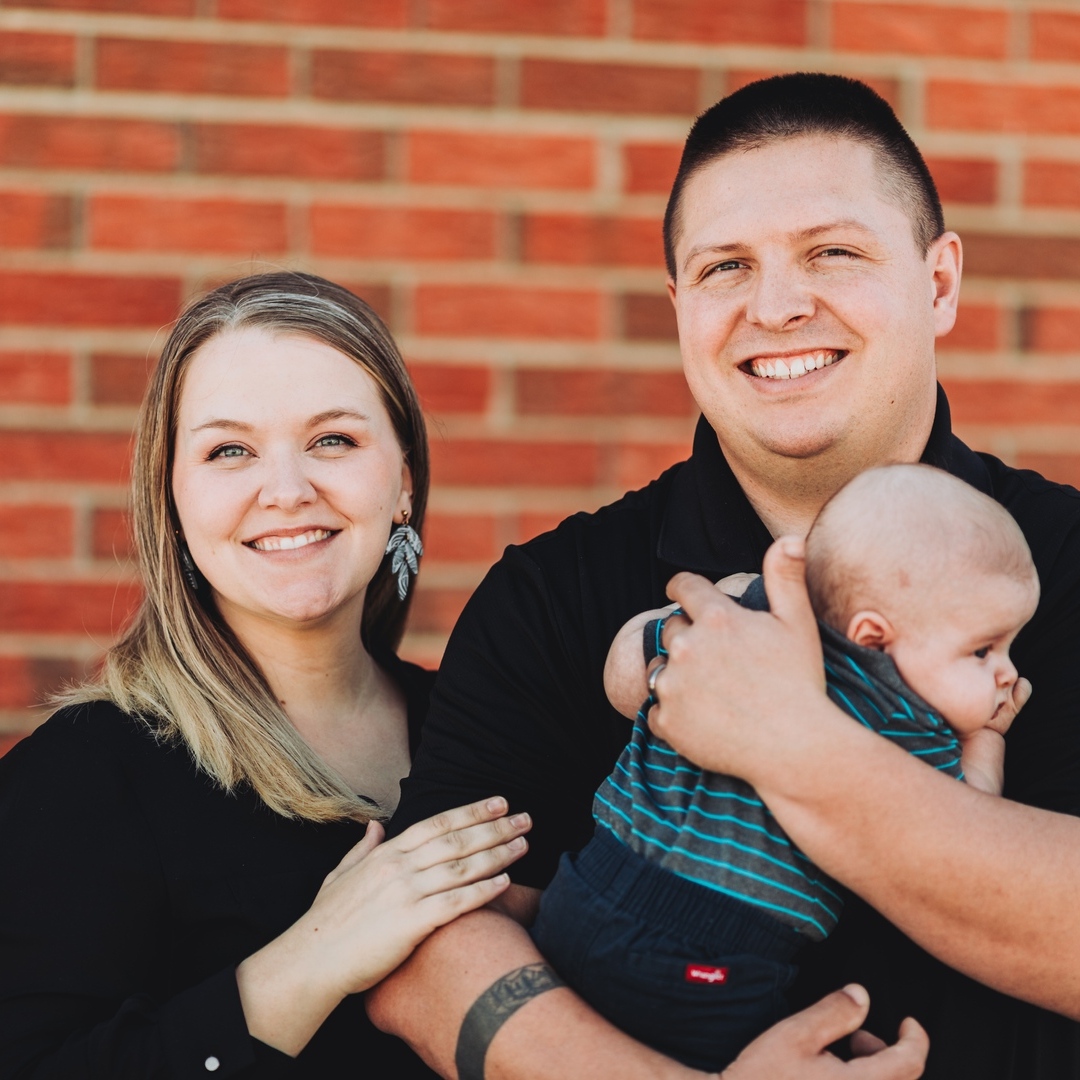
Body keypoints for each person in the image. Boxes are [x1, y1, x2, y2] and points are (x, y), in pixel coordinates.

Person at [368, 73, 1080, 1080]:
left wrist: (792, 745)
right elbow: (422, 946)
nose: (777, 306)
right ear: (678, 306)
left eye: (832, 252)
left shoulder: (1065, 564)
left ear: (940, 282)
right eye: (725, 268)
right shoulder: (555, 594)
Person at [0, 272, 532, 1079]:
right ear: (173, 502)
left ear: (404, 483)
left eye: (333, 441)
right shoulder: (79, 778)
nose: (285, 491)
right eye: (229, 451)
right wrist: (312, 960)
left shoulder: (486, 732)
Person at [529, 464, 1040, 1072]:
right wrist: (985, 736)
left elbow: (634, 658)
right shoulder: (909, 726)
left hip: (584, 888)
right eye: (983, 650)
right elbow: (970, 820)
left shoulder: (745, 619)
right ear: (873, 638)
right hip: (715, 955)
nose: (1006, 672)